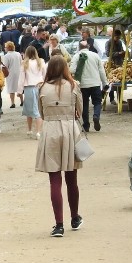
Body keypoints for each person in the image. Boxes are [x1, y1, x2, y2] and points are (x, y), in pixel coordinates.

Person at [35, 56, 84, 238]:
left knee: (54, 180)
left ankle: (59, 224)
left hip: (50, 131)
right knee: (72, 179)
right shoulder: (73, 86)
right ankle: (75, 217)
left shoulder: (41, 88)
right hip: (69, 130)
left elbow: (40, 112)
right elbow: (79, 110)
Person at [69, 41, 109, 133]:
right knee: (97, 102)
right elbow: (101, 71)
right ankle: (96, 116)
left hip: (82, 85)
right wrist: (105, 83)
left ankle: (86, 125)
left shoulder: (77, 56)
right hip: (95, 83)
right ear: (88, 46)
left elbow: (72, 69)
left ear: (79, 47)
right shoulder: (95, 55)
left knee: (84, 104)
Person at [21, 45, 46, 139]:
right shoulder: (41, 61)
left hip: (29, 87)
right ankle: (39, 131)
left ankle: (30, 129)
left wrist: (19, 90)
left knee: (29, 109)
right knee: (39, 109)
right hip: (40, 86)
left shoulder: (24, 63)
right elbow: (45, 75)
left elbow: (21, 78)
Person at [1, 42, 23, 108]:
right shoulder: (18, 54)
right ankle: (22, 101)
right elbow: (21, 62)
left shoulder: (6, 56)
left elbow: (5, 66)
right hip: (19, 72)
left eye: (5, 47)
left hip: (10, 73)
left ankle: (12, 102)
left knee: (11, 88)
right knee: (19, 87)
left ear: (8, 48)